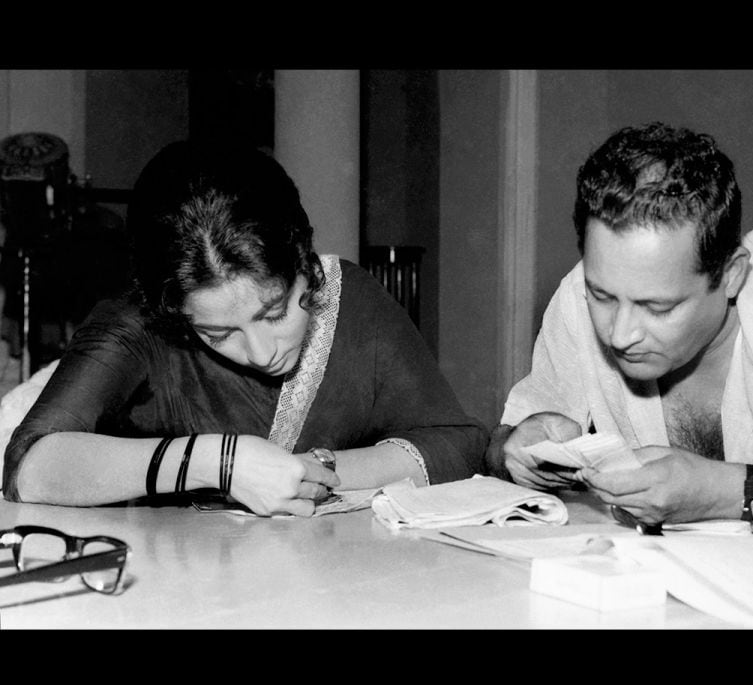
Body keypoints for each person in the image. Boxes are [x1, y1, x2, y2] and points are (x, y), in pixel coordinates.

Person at [487, 121, 753, 535]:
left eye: (657, 307)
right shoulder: (576, 297)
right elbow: (498, 447)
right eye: (603, 297)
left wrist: (729, 491)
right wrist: (515, 450)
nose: (620, 334)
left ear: (732, 275)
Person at [1, 140, 488, 516]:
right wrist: (220, 462)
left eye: (274, 312)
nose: (260, 352)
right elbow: (31, 466)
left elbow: (458, 443)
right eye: (217, 335)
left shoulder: (350, 298)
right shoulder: (138, 323)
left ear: (302, 259)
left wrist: (311, 474)